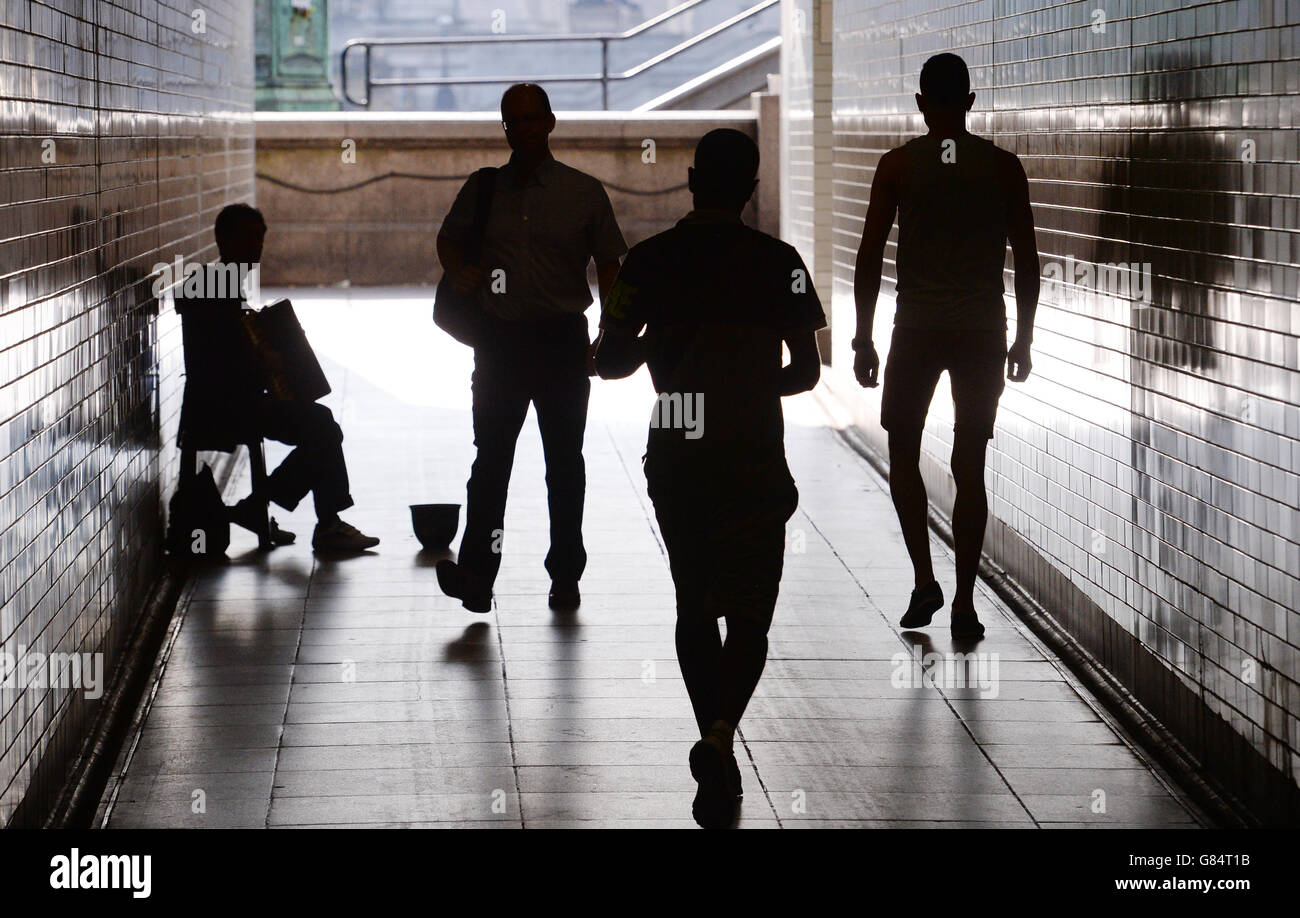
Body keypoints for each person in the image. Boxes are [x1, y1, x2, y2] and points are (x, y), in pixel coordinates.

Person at [594, 129, 825, 829]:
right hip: (753, 450)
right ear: (752, 189)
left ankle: (713, 742)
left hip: (677, 451)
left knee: (693, 601)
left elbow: (609, 360)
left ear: (692, 180)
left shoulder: (648, 260)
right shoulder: (779, 263)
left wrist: (651, 356)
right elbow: (808, 371)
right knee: (751, 611)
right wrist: (749, 385)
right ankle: (720, 737)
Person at [851, 53, 1039, 638]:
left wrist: (861, 335)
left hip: (917, 329)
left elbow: (869, 254)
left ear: (921, 104)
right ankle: (962, 603)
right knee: (969, 465)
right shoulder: (1003, 168)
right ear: (971, 102)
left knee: (903, 454)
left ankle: (924, 580)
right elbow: (1028, 262)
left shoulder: (898, 167)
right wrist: (1025, 337)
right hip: (984, 330)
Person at [434, 83, 627, 614]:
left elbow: (611, 263)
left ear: (550, 123)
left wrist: (611, 329)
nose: (521, 129)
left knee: (563, 464)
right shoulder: (483, 188)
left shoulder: (582, 192)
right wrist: (459, 270)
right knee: (491, 464)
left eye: (529, 119)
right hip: (499, 344)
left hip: (561, 341)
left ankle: (564, 574)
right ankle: (478, 577)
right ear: (504, 128)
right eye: (511, 121)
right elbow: (448, 239)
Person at [176, 203, 380, 553]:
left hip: (232, 401)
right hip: (222, 408)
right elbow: (222, 355)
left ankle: (263, 509)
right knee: (321, 425)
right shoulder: (212, 284)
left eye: (261, 239)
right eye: (248, 238)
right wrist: (266, 357)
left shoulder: (221, 281)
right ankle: (313, 521)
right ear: (223, 239)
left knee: (321, 425)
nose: (257, 247)